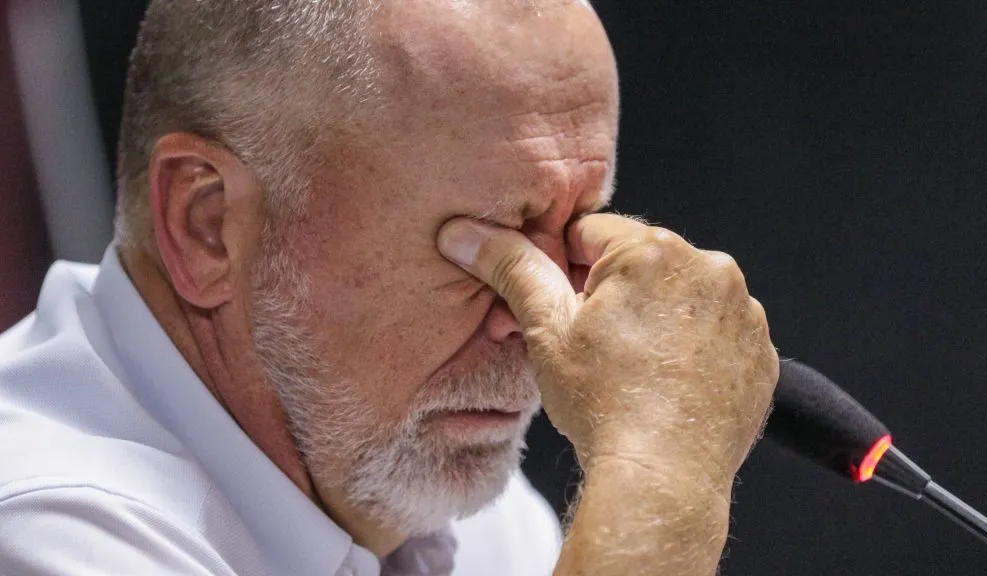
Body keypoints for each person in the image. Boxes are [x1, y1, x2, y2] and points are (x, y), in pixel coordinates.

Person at [0, 1, 777, 574]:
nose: (547, 320)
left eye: (571, 235)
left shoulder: (458, 517)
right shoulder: (42, 525)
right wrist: (658, 478)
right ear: (207, 223)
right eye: (480, 244)